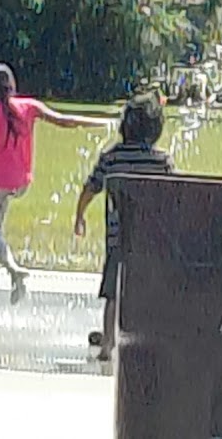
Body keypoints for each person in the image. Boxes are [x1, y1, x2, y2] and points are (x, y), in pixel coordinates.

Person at [0, 62, 109, 304]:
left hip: (0, 183)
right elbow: (64, 120)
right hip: (22, 182)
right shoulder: (28, 106)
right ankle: (3, 273)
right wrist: (100, 122)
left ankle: (9, 268)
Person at [74, 89, 174, 362]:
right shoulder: (162, 161)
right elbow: (174, 196)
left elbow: (90, 188)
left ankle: (108, 343)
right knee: (151, 288)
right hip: (152, 240)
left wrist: (79, 216)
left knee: (113, 292)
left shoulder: (111, 158)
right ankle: (149, 337)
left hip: (119, 239)